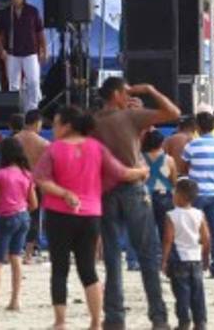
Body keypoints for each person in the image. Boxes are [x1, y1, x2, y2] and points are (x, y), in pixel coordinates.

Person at [33, 104, 148, 330]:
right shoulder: (96, 148)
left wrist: (64, 193)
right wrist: (142, 172)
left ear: (66, 126)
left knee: (60, 269)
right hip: (90, 215)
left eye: (55, 124)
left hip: (59, 214)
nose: (53, 128)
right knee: (88, 269)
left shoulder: (54, 149)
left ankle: (60, 322)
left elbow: (41, 180)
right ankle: (95, 322)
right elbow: (121, 172)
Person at [93, 77, 177, 330]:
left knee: (111, 257)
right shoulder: (130, 117)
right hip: (132, 187)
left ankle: (114, 318)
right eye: (125, 90)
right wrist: (150, 88)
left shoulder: (94, 121)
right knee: (147, 254)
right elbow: (173, 112)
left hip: (106, 191)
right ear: (118, 94)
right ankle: (158, 317)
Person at [0, 137, 37, 311]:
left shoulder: (0, 175)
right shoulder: (27, 174)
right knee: (16, 257)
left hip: (7, 217)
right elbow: (34, 203)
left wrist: (1, 207)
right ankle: (15, 300)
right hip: (23, 216)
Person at [181, 111, 214, 280]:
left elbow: (184, 167)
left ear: (197, 127)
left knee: (192, 230)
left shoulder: (192, 145)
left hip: (196, 193)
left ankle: (194, 265)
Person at [162, 177, 209, 330]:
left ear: (180, 196)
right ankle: (200, 322)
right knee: (198, 294)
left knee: (181, 294)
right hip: (196, 258)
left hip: (179, 260)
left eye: (175, 192)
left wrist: (164, 260)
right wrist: (206, 256)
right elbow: (206, 238)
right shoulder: (199, 214)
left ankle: (184, 322)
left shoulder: (171, 215)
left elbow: (168, 240)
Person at [0, 0, 48, 113]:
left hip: (30, 52)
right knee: (13, 84)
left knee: (33, 82)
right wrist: (1, 50)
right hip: (12, 53)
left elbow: (40, 31)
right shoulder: (5, 13)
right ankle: (17, 111)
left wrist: (44, 49)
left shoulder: (32, 11)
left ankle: (33, 111)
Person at [15, 110, 49, 263]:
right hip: (34, 183)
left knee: (13, 215)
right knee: (34, 218)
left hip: (15, 182)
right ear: (37, 123)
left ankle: (12, 252)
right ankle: (28, 254)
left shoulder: (13, 141)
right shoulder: (43, 143)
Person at [143, 130, 176, 242]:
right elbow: (173, 180)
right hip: (164, 196)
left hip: (145, 196)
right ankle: (165, 256)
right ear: (161, 143)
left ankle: (149, 256)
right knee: (165, 229)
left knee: (146, 230)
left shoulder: (141, 158)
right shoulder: (169, 160)